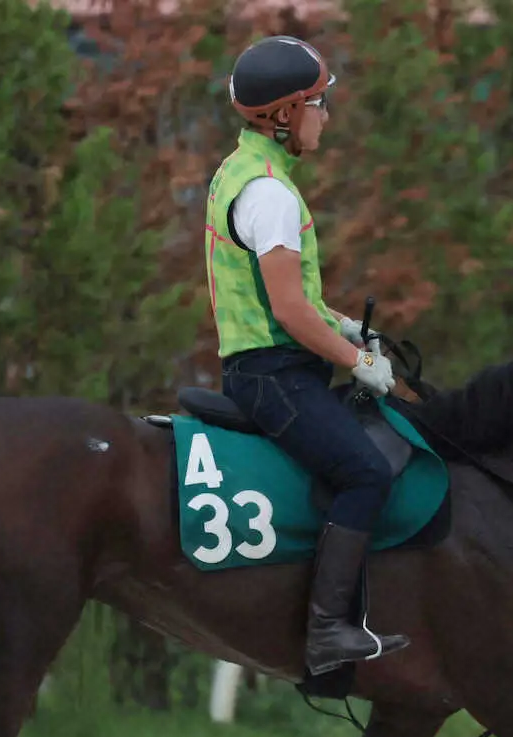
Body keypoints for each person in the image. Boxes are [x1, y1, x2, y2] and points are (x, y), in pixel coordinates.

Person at [204, 35, 410, 677]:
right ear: (286, 114)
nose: (327, 115)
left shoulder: (241, 171)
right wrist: (358, 365)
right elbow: (288, 313)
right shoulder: (270, 194)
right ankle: (326, 633)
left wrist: (345, 326)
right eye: (321, 103)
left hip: (267, 366)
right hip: (273, 375)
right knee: (367, 473)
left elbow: (292, 302)